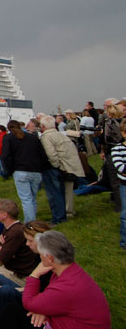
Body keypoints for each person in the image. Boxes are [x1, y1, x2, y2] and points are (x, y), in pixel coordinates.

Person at [18, 231, 111, 328]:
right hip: (65, 319)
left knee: (10, 309)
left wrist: (34, 275)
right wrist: (43, 311)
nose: (40, 257)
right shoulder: (69, 271)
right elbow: (52, 299)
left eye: (41, 254)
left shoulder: (67, 286)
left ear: (49, 258)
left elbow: (29, 303)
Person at [40, 115, 86, 222]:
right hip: (70, 166)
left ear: (43, 126)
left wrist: (56, 165)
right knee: (68, 190)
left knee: (56, 192)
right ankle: (69, 211)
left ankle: (60, 215)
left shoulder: (46, 137)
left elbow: (51, 153)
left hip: (61, 166)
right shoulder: (62, 135)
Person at [2, 120, 48, 223]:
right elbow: (42, 154)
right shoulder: (33, 137)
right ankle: (33, 219)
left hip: (20, 171)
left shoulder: (8, 138)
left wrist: (9, 170)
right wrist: (42, 168)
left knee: (26, 199)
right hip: (36, 171)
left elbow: (5, 156)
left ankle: (30, 223)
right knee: (32, 197)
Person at [112, 120, 126, 250]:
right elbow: (121, 167)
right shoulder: (117, 149)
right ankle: (124, 241)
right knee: (125, 214)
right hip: (125, 185)